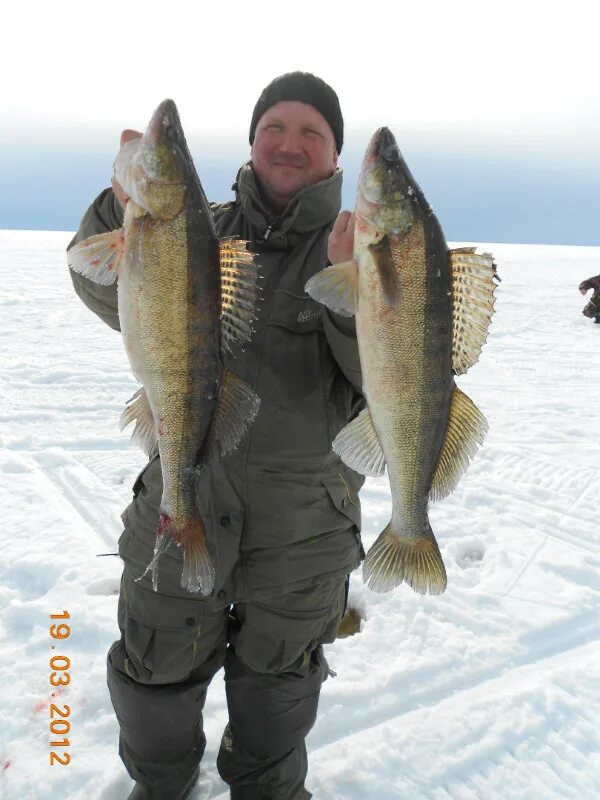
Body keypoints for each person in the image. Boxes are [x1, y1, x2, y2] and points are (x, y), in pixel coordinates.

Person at [68, 72, 365, 800]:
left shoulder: (364, 250)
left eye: (311, 133)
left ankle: (268, 787)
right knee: (154, 664)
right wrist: (124, 202)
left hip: (303, 526)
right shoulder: (201, 226)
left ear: (335, 158)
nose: (289, 143)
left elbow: (386, 376)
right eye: (275, 127)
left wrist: (348, 286)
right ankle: (162, 784)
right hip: (178, 491)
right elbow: (99, 280)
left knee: (279, 681)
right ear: (254, 140)